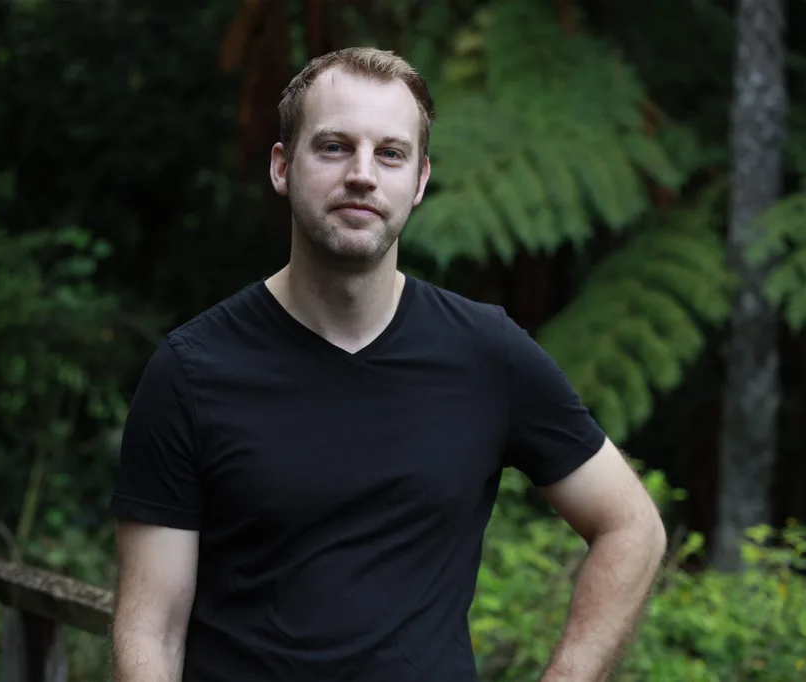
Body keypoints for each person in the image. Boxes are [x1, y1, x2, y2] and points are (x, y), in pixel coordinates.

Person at [108, 47, 667, 682]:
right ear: (282, 167)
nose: (363, 175)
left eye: (390, 153)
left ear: (420, 180)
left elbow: (631, 527)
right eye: (334, 147)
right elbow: (150, 632)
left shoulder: (488, 354)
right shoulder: (191, 371)